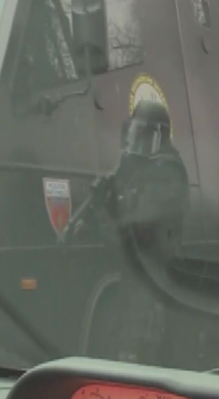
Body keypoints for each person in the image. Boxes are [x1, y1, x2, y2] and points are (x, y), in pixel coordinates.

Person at [75, 100, 189, 365]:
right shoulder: (145, 170)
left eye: (143, 135)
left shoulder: (168, 175)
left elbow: (131, 237)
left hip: (152, 280)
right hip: (138, 279)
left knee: (138, 355)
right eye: (134, 134)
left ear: (158, 136)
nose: (136, 142)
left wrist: (102, 212)